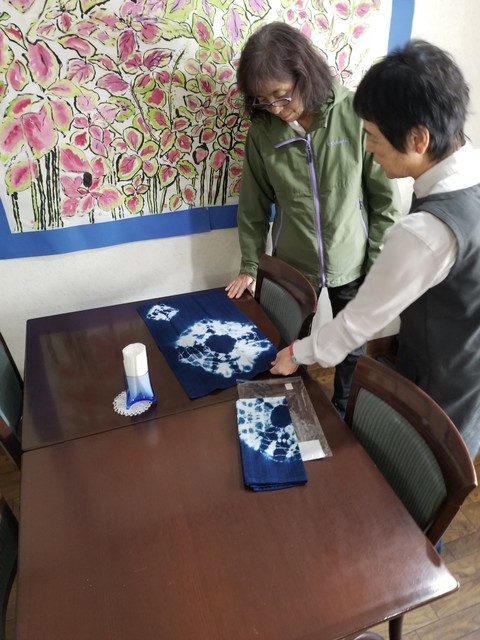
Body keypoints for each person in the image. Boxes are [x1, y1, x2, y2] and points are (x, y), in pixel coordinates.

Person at [271, 39, 480, 459]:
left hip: (441, 388)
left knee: (415, 479)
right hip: (468, 368)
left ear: (418, 138)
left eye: (373, 136)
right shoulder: (469, 166)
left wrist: (297, 352)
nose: (367, 148)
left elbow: (356, 324)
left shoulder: (427, 232)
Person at [225, 22, 401, 415]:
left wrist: (378, 262)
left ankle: (344, 412)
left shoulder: (354, 114)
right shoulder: (263, 133)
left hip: (351, 258)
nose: (276, 108)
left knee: (352, 345)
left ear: (304, 74)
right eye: (263, 101)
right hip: (293, 262)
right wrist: (250, 265)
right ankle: (288, 410)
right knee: (287, 341)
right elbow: (253, 206)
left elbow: (384, 200)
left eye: (281, 95)